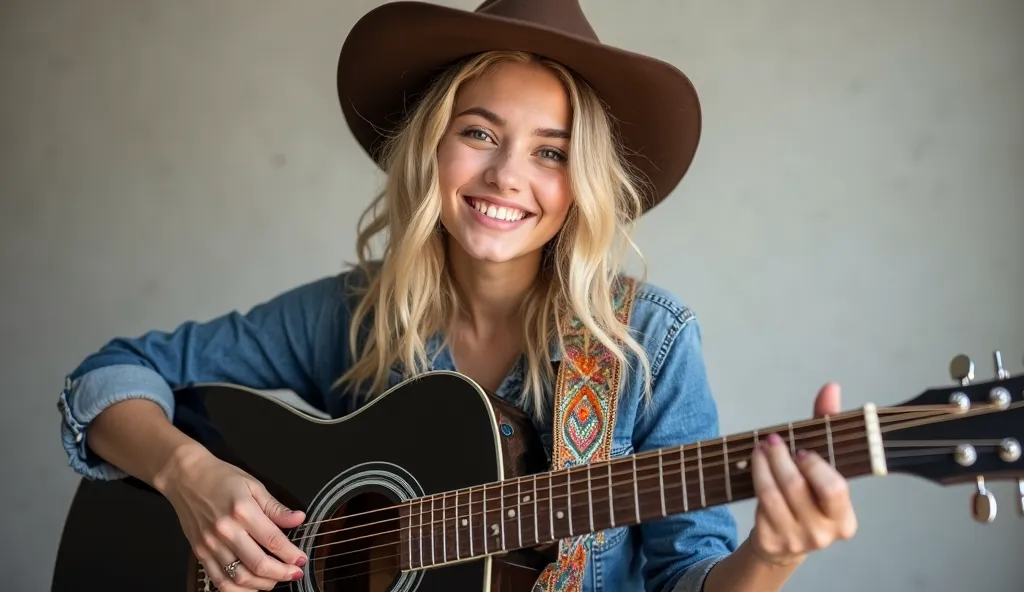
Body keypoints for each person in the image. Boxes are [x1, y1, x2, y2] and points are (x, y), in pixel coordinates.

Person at [56, 1, 859, 591]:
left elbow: (690, 575)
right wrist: (191, 476)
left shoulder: (645, 342)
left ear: (582, 186)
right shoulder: (352, 315)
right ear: (429, 147)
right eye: (479, 133)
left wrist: (774, 554)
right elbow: (108, 380)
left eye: (551, 153)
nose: (508, 176)